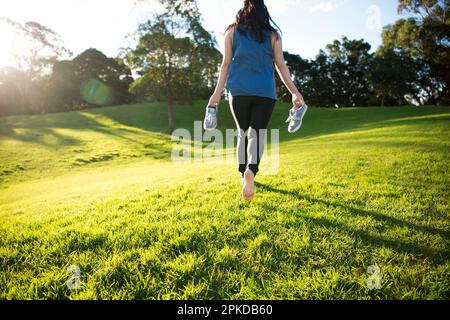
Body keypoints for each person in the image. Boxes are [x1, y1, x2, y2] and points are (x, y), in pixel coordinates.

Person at [204, 0, 308, 201]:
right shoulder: (273, 35)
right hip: (265, 92)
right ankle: (252, 169)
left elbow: (225, 65)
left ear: (243, 10)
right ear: (264, 11)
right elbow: (281, 66)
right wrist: (295, 93)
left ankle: (244, 173)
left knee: (243, 133)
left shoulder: (232, 32)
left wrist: (216, 95)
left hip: (238, 91)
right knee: (257, 134)